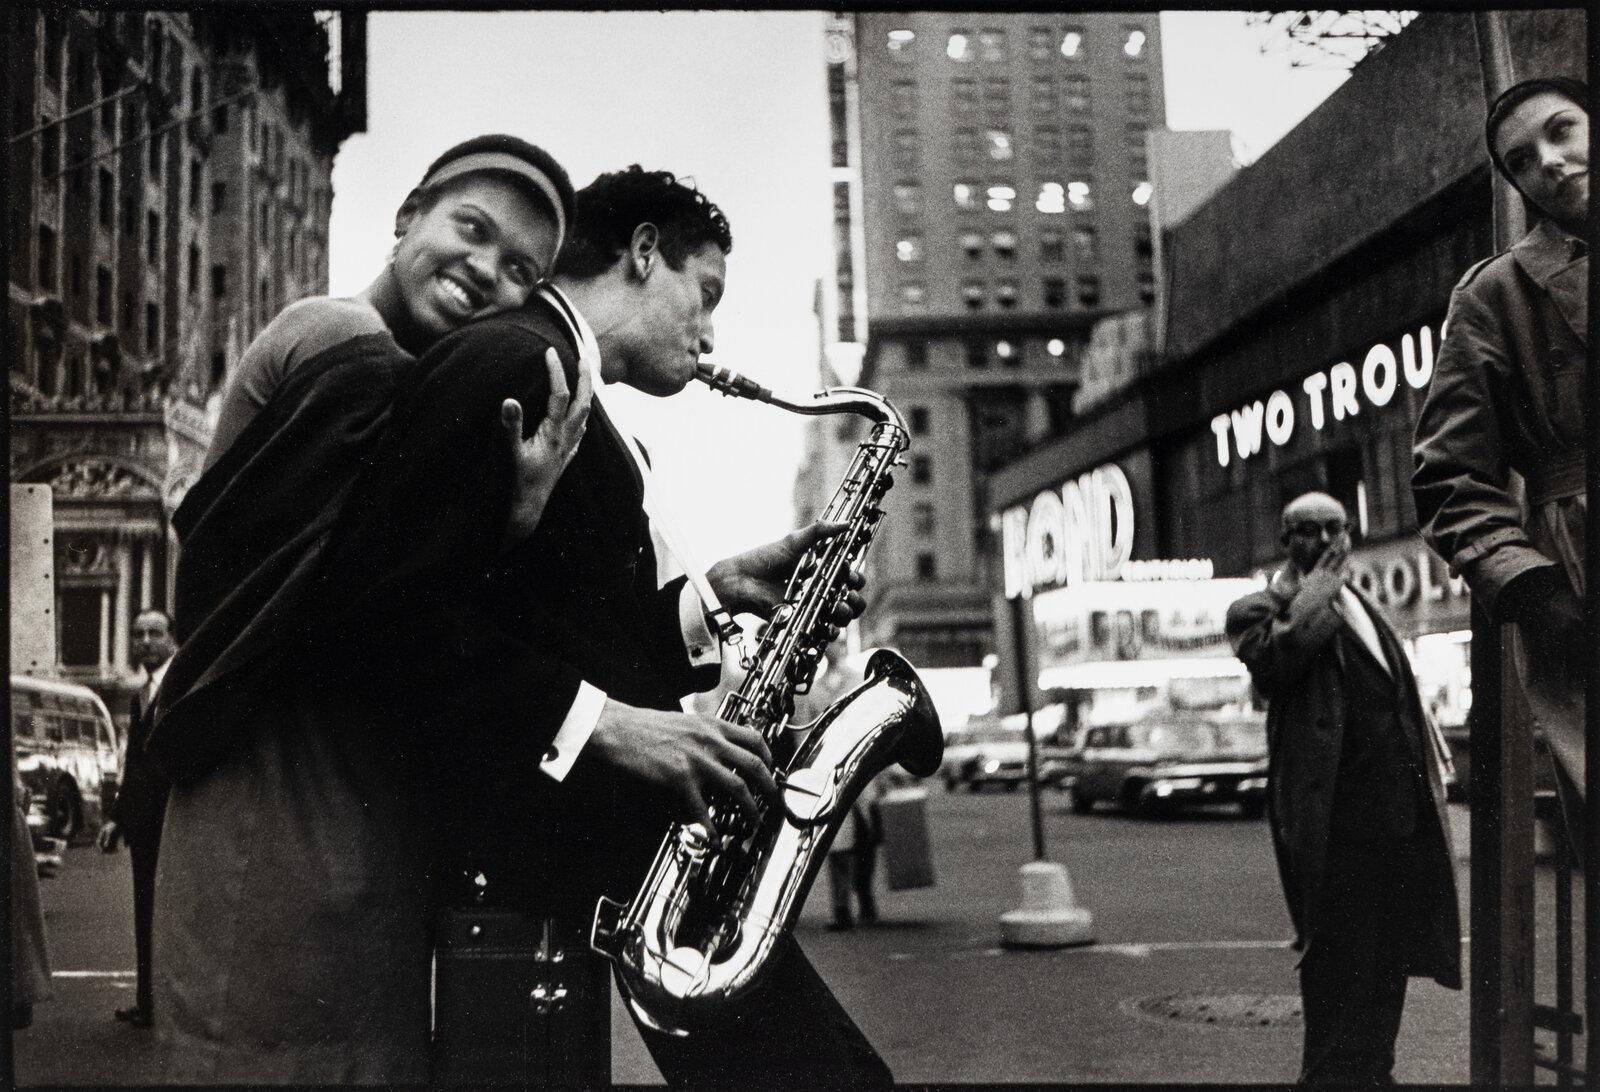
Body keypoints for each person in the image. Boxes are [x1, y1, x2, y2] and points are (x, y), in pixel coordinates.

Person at [286, 164, 889, 1087]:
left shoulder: (564, 383)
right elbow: (379, 618)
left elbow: (543, 620)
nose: (711, 331)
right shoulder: (519, 363)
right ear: (645, 252)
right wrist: (601, 725)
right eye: (706, 292)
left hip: (622, 871)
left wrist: (716, 591)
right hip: (566, 869)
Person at [147, 137, 583, 1084]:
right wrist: (510, 519)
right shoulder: (345, 346)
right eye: (471, 229)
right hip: (276, 800)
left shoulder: (410, 378)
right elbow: (361, 604)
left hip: (338, 805)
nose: (484, 271)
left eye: (520, 271)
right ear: (407, 218)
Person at [1226, 492, 1461, 1085]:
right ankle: (1328, 1078)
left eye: (1339, 528)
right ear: (1286, 540)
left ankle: (1375, 1073)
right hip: (1336, 828)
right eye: (1311, 530)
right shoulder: (1259, 607)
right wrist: (1312, 601)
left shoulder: (1367, 606)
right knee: (1336, 966)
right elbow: (1276, 663)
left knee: (1389, 961)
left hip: (1397, 823)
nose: (1329, 540)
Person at [1412, 77, 1589, 828]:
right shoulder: (1497, 295)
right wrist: (1530, 589)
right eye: (1521, 159)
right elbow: (1448, 472)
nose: (1548, 161)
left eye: (1563, 130)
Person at [98, 609, 177, 1030]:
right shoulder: (140, 694)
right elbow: (134, 764)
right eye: (138, 634)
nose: (145, 641)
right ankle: (148, 1002)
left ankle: (169, 1003)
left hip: (178, 820)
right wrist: (116, 818)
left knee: (176, 913)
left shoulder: (180, 685)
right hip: (145, 826)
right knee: (145, 910)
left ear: (172, 639)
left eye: (154, 633)